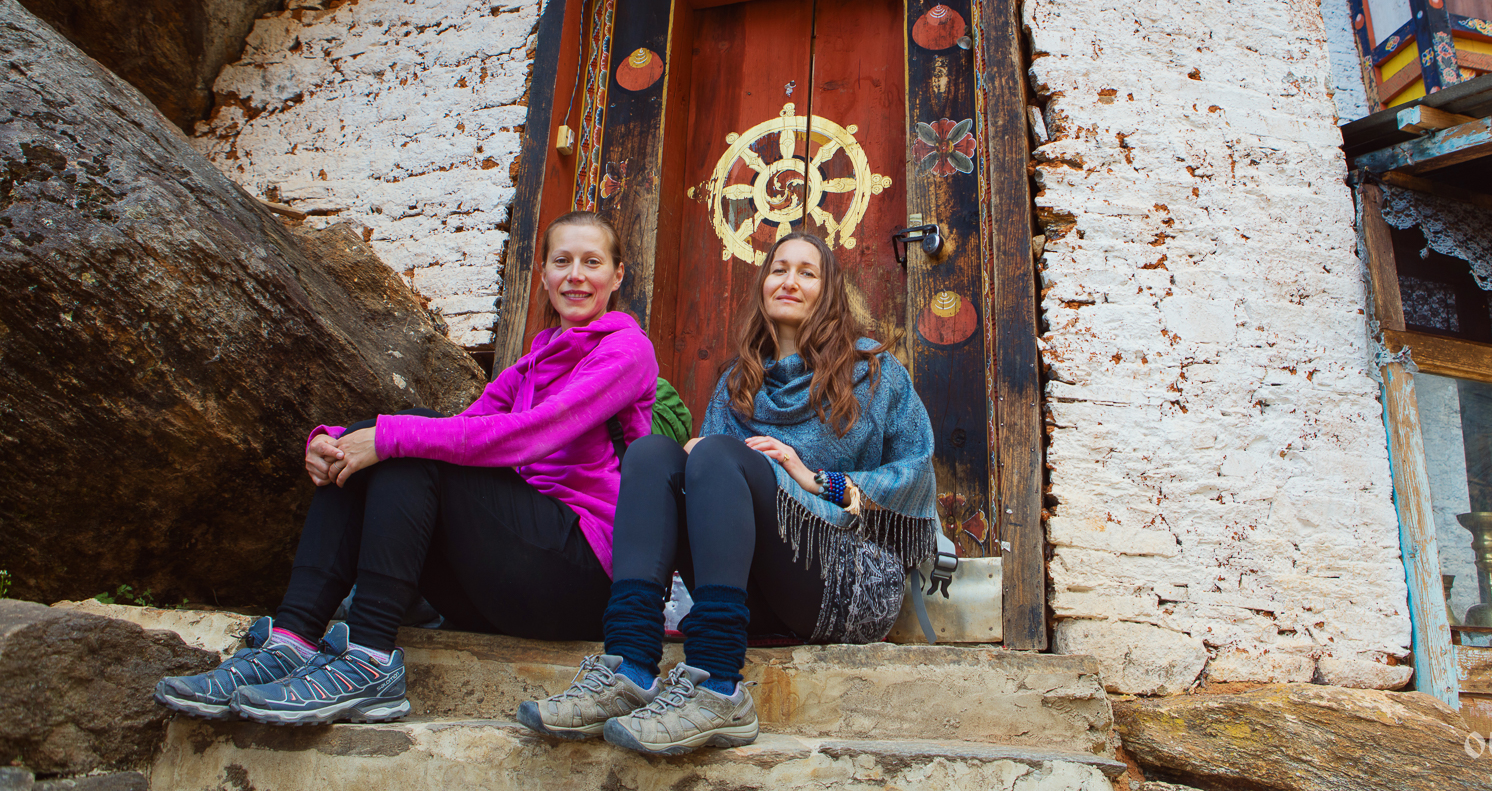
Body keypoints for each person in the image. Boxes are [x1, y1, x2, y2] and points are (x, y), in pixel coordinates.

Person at [154, 211, 656, 726]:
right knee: (397, 442)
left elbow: (531, 434)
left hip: (584, 578)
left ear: (617, 275)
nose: (576, 275)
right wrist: (333, 442)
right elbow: (459, 431)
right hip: (510, 573)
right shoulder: (528, 365)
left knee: (406, 438)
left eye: (592, 262)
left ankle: (370, 660)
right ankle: (289, 643)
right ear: (544, 274)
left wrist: (386, 437)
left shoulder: (627, 349)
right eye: (562, 261)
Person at [518, 231, 939, 756]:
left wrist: (811, 478)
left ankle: (719, 687)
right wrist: (698, 454)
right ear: (763, 285)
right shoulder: (739, 382)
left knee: (718, 454)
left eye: (807, 273)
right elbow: (706, 494)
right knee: (653, 455)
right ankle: (628, 668)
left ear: (829, 291)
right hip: (746, 598)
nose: (789, 281)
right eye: (778, 269)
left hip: (849, 584)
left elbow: (917, 476)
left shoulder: (874, 372)